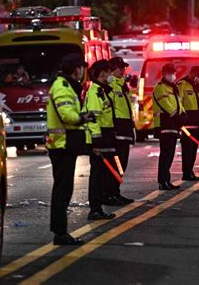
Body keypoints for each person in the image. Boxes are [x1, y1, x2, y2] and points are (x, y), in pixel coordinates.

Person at [46, 53, 93, 245]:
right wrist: (83, 117)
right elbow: (67, 115)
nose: (82, 71)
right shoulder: (63, 87)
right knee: (62, 189)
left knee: (64, 188)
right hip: (61, 145)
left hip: (65, 144)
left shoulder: (66, 86)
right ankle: (60, 232)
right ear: (75, 69)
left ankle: (60, 231)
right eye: (81, 67)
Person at [84, 59, 119, 220]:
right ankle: (95, 209)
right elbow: (94, 119)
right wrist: (96, 142)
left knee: (102, 175)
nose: (110, 75)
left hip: (105, 136)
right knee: (97, 175)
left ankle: (98, 208)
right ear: (102, 73)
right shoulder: (94, 92)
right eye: (108, 72)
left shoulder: (101, 90)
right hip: (99, 138)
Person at [107, 57, 135, 205]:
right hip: (118, 130)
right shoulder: (111, 85)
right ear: (113, 69)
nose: (123, 70)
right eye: (120, 68)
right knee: (117, 164)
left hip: (125, 129)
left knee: (122, 165)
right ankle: (111, 194)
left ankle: (115, 192)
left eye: (124, 68)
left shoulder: (121, 85)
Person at [153, 63, 185, 190]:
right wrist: (177, 116)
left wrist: (183, 114)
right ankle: (162, 181)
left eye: (173, 73)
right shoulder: (160, 87)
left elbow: (179, 103)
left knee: (170, 154)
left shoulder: (173, 88)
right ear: (164, 74)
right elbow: (166, 104)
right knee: (165, 154)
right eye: (170, 73)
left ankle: (167, 180)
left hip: (172, 125)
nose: (172, 76)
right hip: (164, 124)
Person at [177, 66, 199, 181]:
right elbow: (179, 101)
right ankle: (186, 173)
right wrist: (182, 116)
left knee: (193, 150)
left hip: (197, 123)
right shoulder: (182, 84)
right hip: (187, 123)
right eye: (197, 75)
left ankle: (190, 171)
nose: (198, 77)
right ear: (191, 73)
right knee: (187, 150)